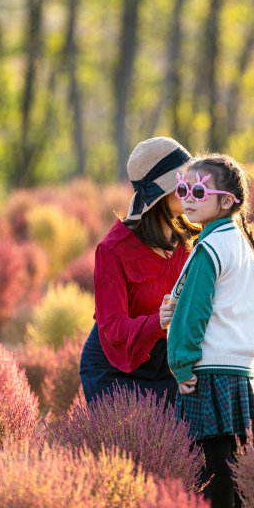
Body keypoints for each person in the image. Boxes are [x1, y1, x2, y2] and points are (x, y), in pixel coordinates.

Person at [167, 153, 254, 508]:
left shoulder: (209, 249)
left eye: (198, 192)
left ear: (226, 201)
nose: (188, 199)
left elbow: (194, 311)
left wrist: (181, 361)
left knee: (211, 452)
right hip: (239, 366)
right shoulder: (239, 245)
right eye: (183, 190)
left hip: (208, 366)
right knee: (236, 449)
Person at [79, 137, 193, 405]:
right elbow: (113, 328)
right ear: (161, 192)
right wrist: (159, 321)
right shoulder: (113, 249)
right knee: (133, 443)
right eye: (183, 182)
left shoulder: (190, 241)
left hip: (168, 365)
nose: (192, 188)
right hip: (114, 370)